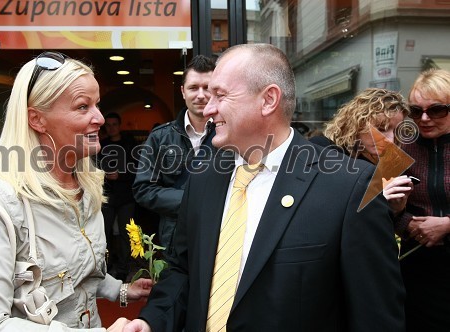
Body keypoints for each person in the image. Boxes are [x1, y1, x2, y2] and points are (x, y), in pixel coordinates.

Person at [119, 44, 405, 331]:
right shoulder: (203, 177)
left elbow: (376, 315)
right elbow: (183, 270)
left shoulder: (349, 186)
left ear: (268, 100)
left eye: (220, 95)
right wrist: (150, 320)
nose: (208, 108)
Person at [0, 52, 152, 331]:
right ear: (37, 119)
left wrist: (120, 290)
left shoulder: (87, 185)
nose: (100, 118)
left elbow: (79, 274)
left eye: (97, 105)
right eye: (83, 107)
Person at [132, 55, 216, 261]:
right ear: (182, 91)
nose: (201, 95)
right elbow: (143, 189)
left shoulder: (231, 134)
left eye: (207, 87)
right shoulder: (160, 137)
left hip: (220, 235)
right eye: (194, 87)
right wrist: (192, 201)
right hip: (174, 240)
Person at [392, 68, 450, 332]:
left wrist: (447, 225)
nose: (424, 119)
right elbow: (379, 203)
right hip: (419, 265)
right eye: (416, 111)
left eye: (437, 110)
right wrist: (409, 224)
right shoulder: (402, 146)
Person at [310, 88, 413, 211]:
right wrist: (376, 200)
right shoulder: (322, 149)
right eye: (381, 128)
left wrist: (396, 209)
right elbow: (317, 209)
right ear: (357, 124)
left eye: (396, 131)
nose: (390, 140)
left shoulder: (387, 166)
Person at [97, 112, 138, 281]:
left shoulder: (130, 145)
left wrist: (120, 175)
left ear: (119, 125)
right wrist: (103, 175)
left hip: (126, 196)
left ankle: (123, 268)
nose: (111, 127)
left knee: (125, 234)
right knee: (103, 233)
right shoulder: (101, 145)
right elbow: (94, 167)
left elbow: (138, 169)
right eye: (108, 125)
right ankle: (104, 267)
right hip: (106, 196)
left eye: (114, 124)